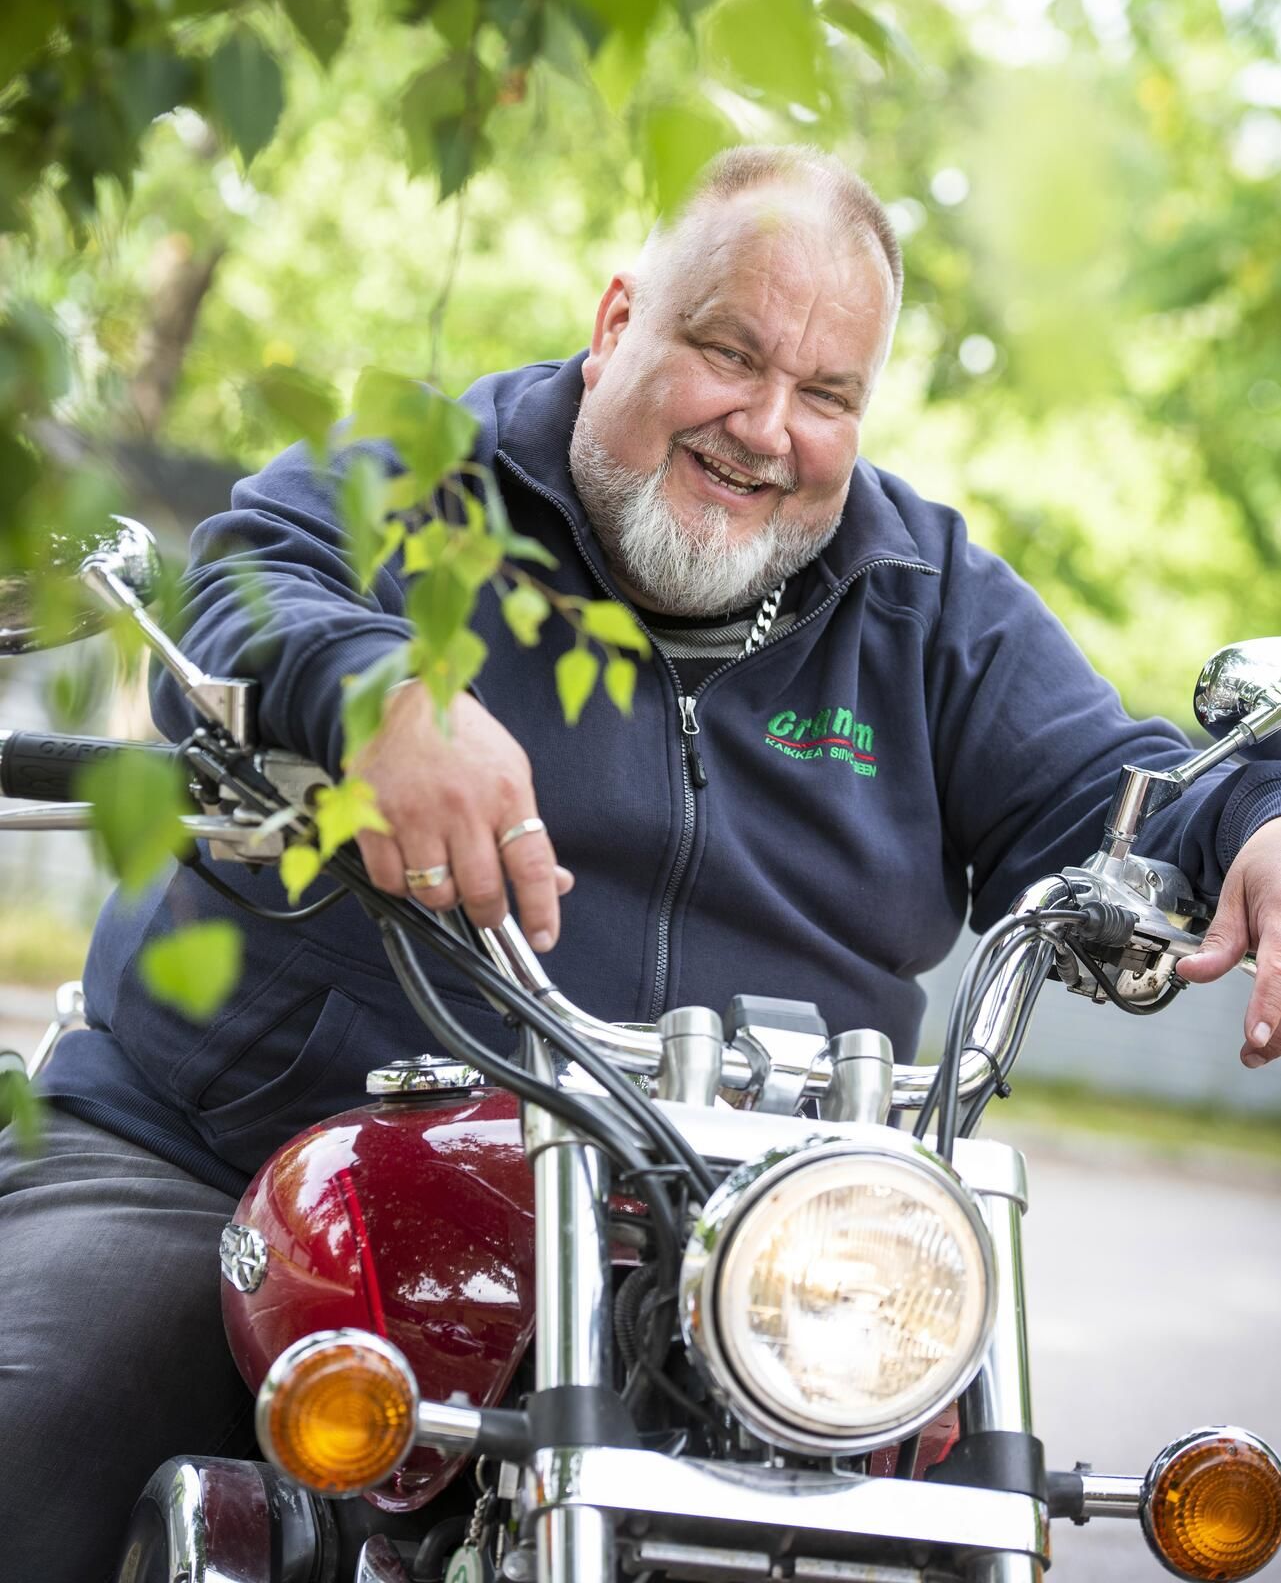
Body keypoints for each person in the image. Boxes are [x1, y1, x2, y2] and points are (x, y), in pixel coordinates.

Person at [3, 144, 1279, 1579]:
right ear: (617, 323)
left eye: (825, 394)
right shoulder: (426, 480)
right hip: (231, 1156)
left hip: (737, 1246)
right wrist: (374, 691)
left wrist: (1253, 827)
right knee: (35, 1426)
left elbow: (1120, 796)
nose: (765, 426)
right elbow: (239, 576)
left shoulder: (931, 608)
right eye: (728, 353)